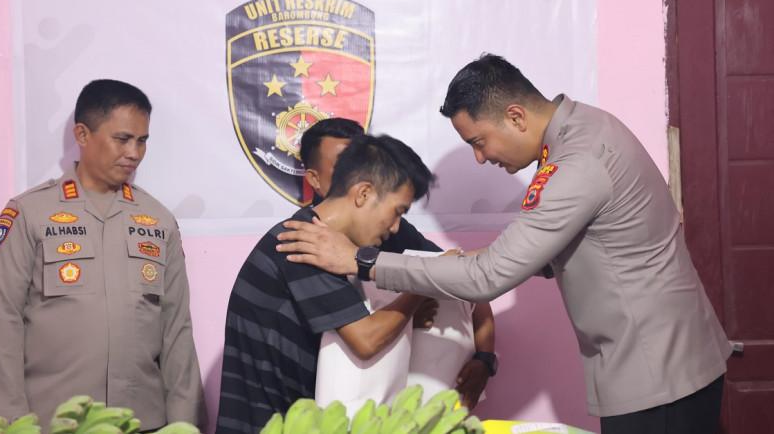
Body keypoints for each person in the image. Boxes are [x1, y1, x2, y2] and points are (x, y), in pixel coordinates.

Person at [275, 54, 732, 434]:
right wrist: (464, 265)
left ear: (515, 116)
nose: (481, 158)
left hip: (658, 375)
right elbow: (523, 257)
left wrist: (362, 261)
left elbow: (490, 276)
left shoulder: (577, 163)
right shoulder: (585, 129)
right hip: (666, 361)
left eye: (479, 141)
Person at [0, 79, 206, 431]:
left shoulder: (159, 221)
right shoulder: (29, 214)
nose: (134, 152)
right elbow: (0, 326)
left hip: (141, 423)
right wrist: (8, 426)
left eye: (142, 140)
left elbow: (177, 332)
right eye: (122, 139)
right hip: (54, 424)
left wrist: (185, 425)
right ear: (82, 135)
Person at [216, 134, 435, 433]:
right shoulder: (303, 243)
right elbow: (366, 340)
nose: (396, 227)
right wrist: (420, 288)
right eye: (397, 211)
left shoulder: (322, 242)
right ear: (363, 194)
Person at [299, 118, 496, 409]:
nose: (351, 176)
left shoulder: (391, 230)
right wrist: (417, 296)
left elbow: (456, 274)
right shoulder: (307, 243)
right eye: (342, 167)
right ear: (314, 179)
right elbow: (365, 340)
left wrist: (485, 359)